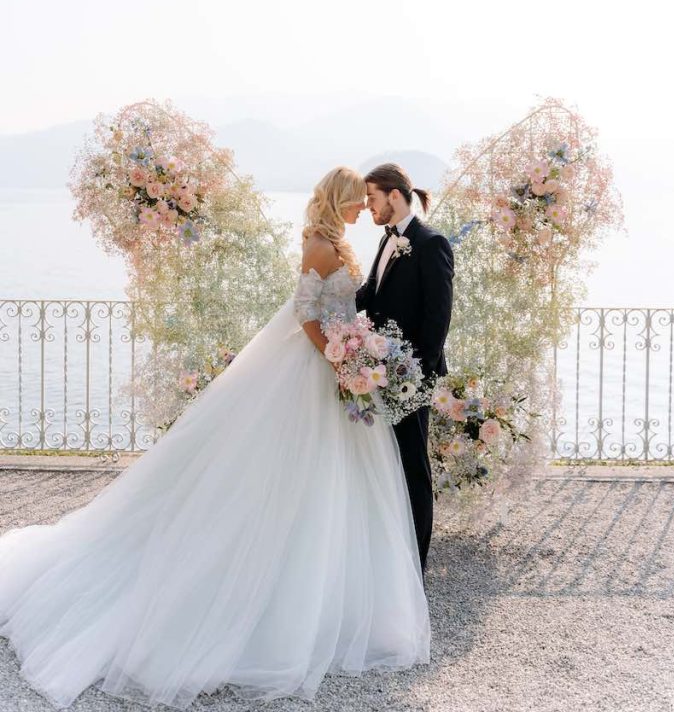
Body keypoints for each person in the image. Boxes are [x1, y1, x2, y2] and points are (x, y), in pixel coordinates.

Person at [0, 166, 429, 710]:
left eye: (368, 201)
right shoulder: (321, 245)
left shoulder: (339, 242)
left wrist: (356, 351)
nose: (361, 209)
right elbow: (304, 313)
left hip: (339, 371)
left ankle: (337, 596)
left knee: (336, 482)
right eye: (356, 201)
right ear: (342, 200)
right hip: (317, 368)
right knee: (291, 474)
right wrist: (338, 358)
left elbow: (345, 305)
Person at [356, 162, 454, 575]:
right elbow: (371, 295)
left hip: (410, 378)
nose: (368, 208)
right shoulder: (387, 239)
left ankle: (417, 566)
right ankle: (391, 560)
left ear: (394, 196)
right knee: (386, 464)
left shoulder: (431, 243)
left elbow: (438, 317)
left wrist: (418, 376)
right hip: (381, 372)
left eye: (373, 199)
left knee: (414, 468)